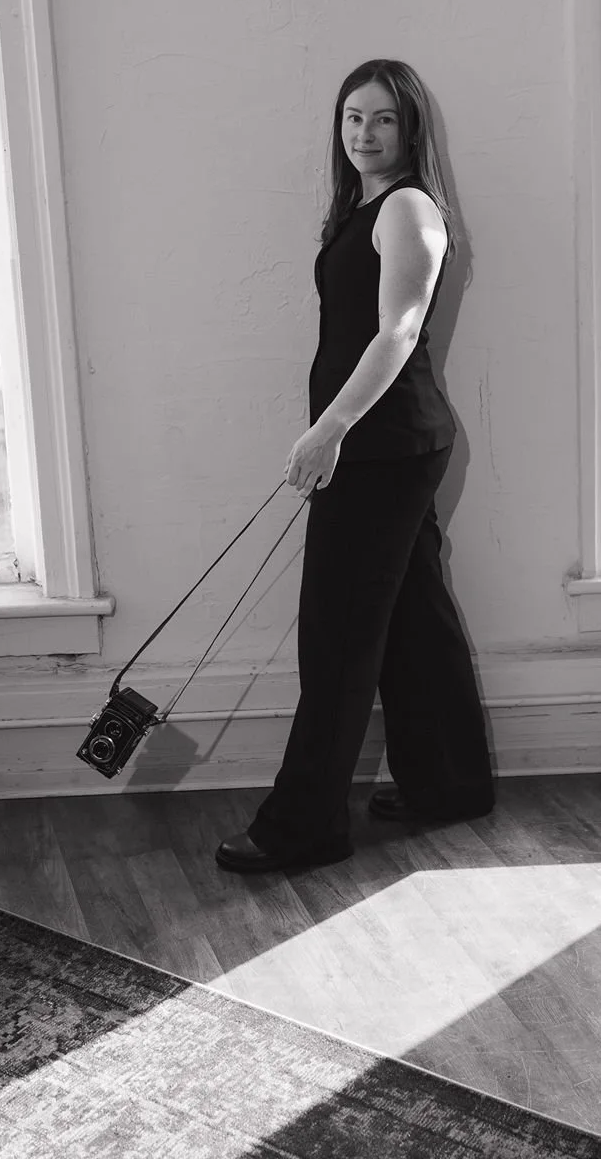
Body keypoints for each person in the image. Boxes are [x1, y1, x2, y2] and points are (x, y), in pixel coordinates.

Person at [215, 60, 494, 874]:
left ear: (410, 130)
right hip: (389, 442)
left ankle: (302, 827)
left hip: (380, 446)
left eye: (383, 119)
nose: (364, 134)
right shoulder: (368, 207)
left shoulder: (408, 207)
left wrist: (328, 429)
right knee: (412, 618)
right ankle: (447, 785)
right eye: (352, 117)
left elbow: (397, 330)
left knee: (336, 636)